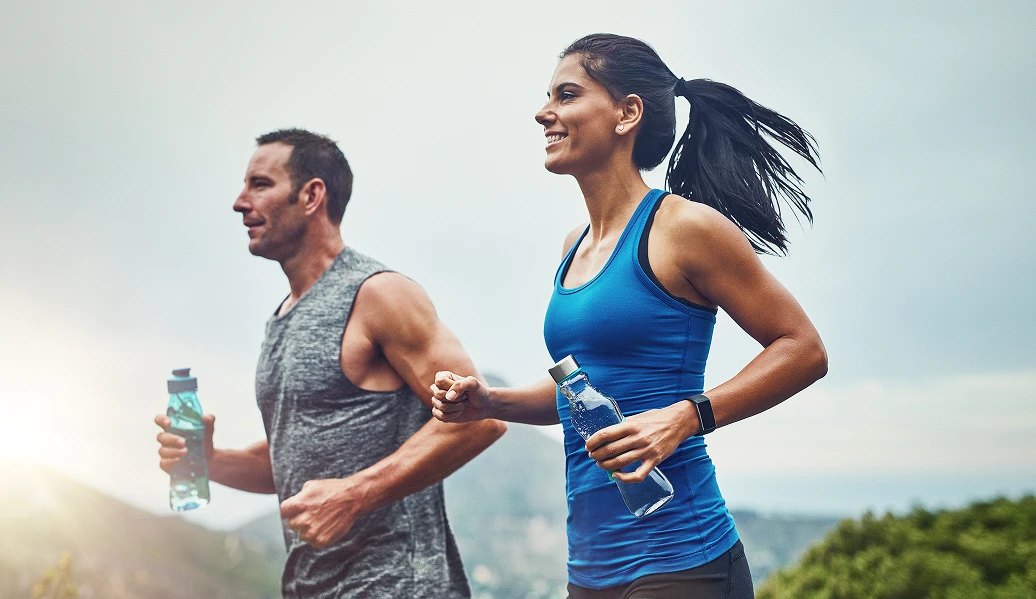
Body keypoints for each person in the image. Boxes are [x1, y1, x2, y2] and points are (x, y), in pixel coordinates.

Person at [430, 33, 828, 599]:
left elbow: (803, 349)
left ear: (628, 113)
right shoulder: (575, 245)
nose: (544, 112)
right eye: (548, 96)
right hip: (591, 570)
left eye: (567, 95)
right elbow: (587, 392)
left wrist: (687, 418)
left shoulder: (684, 228)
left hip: (682, 560)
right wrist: (490, 404)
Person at [155, 129, 506, 598]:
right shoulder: (281, 320)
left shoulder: (378, 293)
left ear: (311, 195)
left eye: (260, 184)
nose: (240, 202)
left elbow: (481, 417)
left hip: (398, 586)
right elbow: (293, 461)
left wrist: (354, 495)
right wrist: (212, 460)